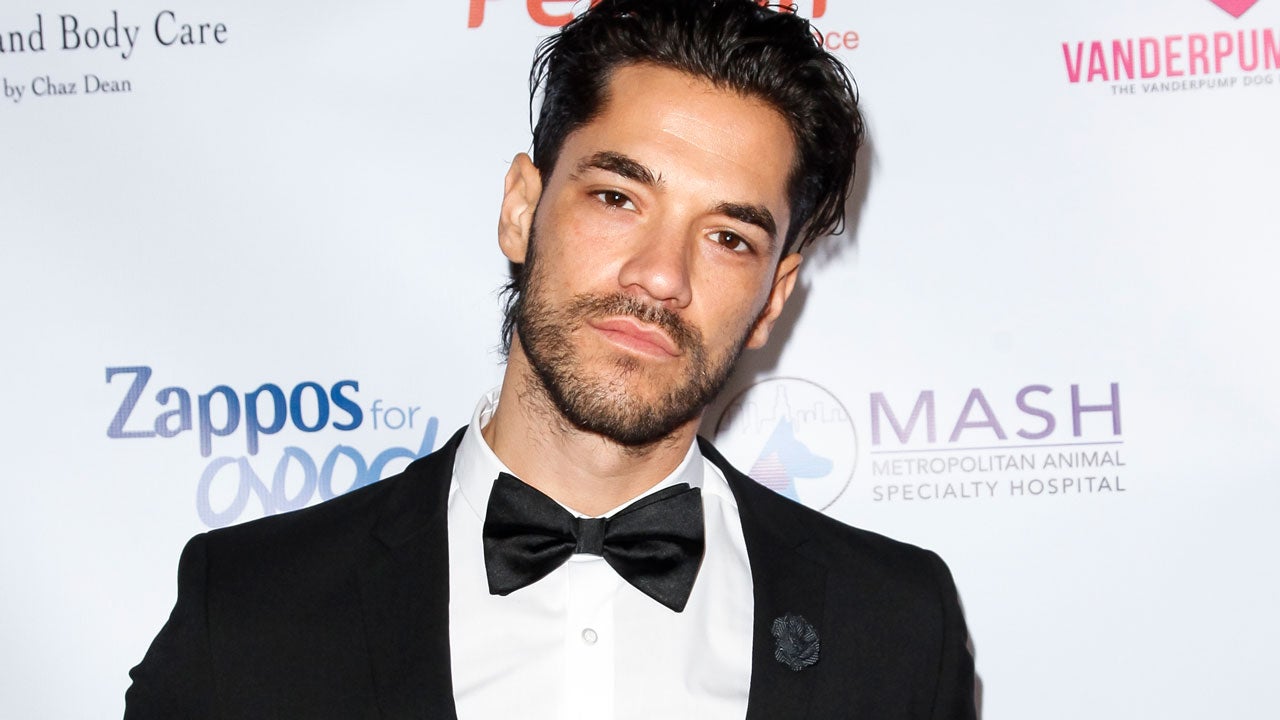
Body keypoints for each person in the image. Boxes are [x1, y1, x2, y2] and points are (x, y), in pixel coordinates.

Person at [125, 1, 977, 718]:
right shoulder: (249, 608)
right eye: (617, 197)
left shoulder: (897, 629)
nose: (661, 275)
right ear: (521, 210)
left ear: (774, 296)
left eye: (728, 237)